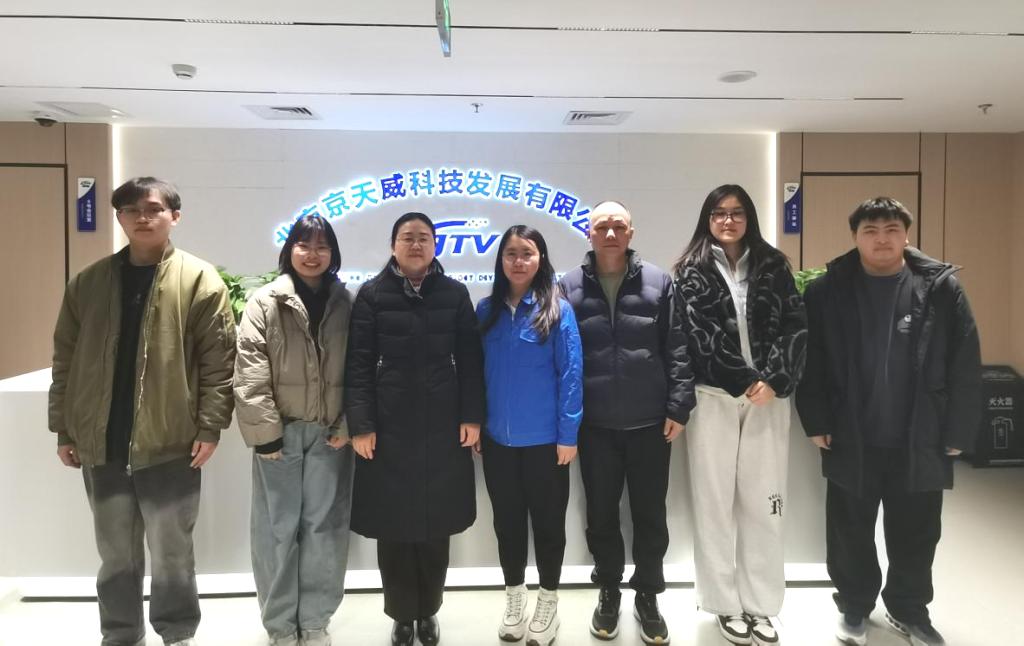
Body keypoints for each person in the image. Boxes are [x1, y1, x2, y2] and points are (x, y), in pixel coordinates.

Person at [49, 176, 236, 646]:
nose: (143, 217)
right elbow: (65, 360)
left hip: (170, 442)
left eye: (153, 209)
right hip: (102, 443)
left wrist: (210, 426)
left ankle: (177, 633)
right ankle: (120, 635)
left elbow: (219, 361)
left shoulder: (199, 280)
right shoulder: (88, 283)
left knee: (173, 553)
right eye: (131, 209)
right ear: (119, 218)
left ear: (175, 216)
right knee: (115, 555)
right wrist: (63, 429)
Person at [796, 197, 981, 646]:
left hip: (920, 434)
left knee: (917, 531)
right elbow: (811, 360)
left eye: (891, 230)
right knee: (849, 529)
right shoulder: (828, 291)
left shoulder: (941, 289)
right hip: (851, 431)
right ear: (855, 236)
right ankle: (854, 605)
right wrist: (816, 418)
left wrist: (958, 429)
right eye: (871, 231)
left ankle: (909, 610)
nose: (882, 239)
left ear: (906, 234)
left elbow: (965, 361)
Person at [673, 184, 807, 645]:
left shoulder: (774, 265)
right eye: (718, 213)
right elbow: (698, 333)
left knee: (765, 503)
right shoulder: (689, 271)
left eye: (736, 213)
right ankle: (723, 604)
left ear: (749, 217)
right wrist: (743, 379)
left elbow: (795, 326)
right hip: (714, 397)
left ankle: (762, 604)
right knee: (714, 503)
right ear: (707, 219)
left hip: (769, 398)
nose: (727, 221)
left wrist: (775, 378)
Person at [344, 212, 485, 646]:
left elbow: (471, 359)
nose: (416, 244)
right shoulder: (372, 295)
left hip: (443, 425)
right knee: (394, 527)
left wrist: (471, 416)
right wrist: (361, 425)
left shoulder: (454, 293)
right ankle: (402, 615)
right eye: (408, 237)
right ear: (393, 246)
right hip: (388, 427)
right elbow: (358, 365)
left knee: (435, 527)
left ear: (435, 246)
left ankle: (429, 611)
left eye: (424, 237)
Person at [559, 200, 694, 645]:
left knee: (650, 515)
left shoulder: (659, 282)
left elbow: (677, 347)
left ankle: (648, 596)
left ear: (631, 232)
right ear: (589, 233)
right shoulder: (569, 286)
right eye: (602, 227)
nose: (611, 234)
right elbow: (562, 359)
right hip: (594, 425)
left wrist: (678, 406)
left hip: (650, 423)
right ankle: (609, 592)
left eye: (619, 226)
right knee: (601, 515)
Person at [234, 214, 355, 646]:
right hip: (280, 436)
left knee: (325, 528)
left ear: (332, 253)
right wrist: (265, 434)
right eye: (304, 245)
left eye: (322, 246)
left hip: (331, 435)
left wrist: (347, 424)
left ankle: (316, 620)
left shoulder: (346, 302)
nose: (312, 254)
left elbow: (360, 370)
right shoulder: (264, 302)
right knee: (277, 530)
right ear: (290, 250)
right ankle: (281, 625)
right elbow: (249, 371)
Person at [475, 225, 583, 646]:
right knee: (507, 525)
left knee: (549, 525)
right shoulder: (486, 310)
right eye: (511, 253)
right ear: (500, 260)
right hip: (498, 443)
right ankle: (514, 599)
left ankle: (548, 602)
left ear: (541, 259)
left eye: (527, 253)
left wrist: (568, 434)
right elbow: (474, 373)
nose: (518, 261)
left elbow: (571, 375)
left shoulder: (557, 309)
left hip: (545, 442)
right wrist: (476, 423)